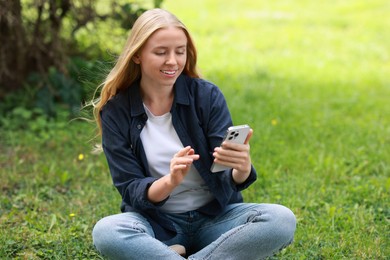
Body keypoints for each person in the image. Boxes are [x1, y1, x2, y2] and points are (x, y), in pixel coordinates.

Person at [91, 8, 296, 260]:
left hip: (215, 220)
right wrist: (171, 180)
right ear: (137, 56)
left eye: (180, 51)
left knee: (281, 220)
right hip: (156, 225)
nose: (173, 61)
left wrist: (241, 167)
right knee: (107, 231)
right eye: (160, 52)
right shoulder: (116, 111)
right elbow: (130, 188)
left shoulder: (206, 96)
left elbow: (225, 174)